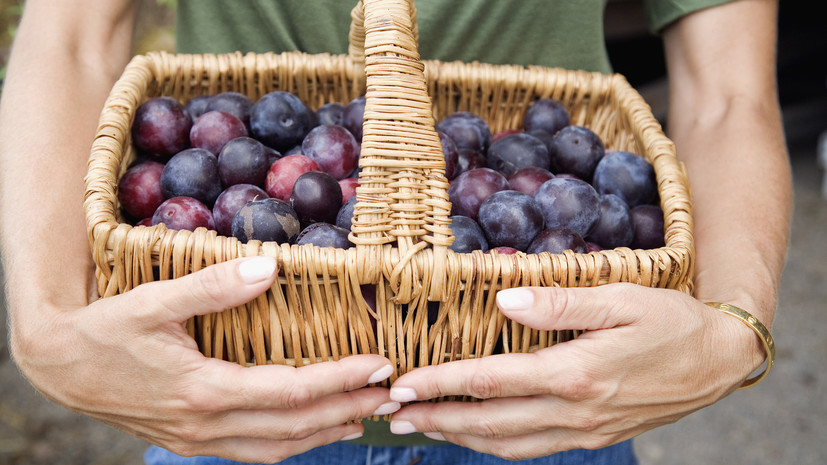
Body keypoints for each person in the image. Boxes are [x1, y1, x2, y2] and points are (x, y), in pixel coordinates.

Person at [0, 0, 791, 464]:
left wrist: (736, 326)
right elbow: (69, 38)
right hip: (228, 378)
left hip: (554, 392)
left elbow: (728, 94)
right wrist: (41, 323)